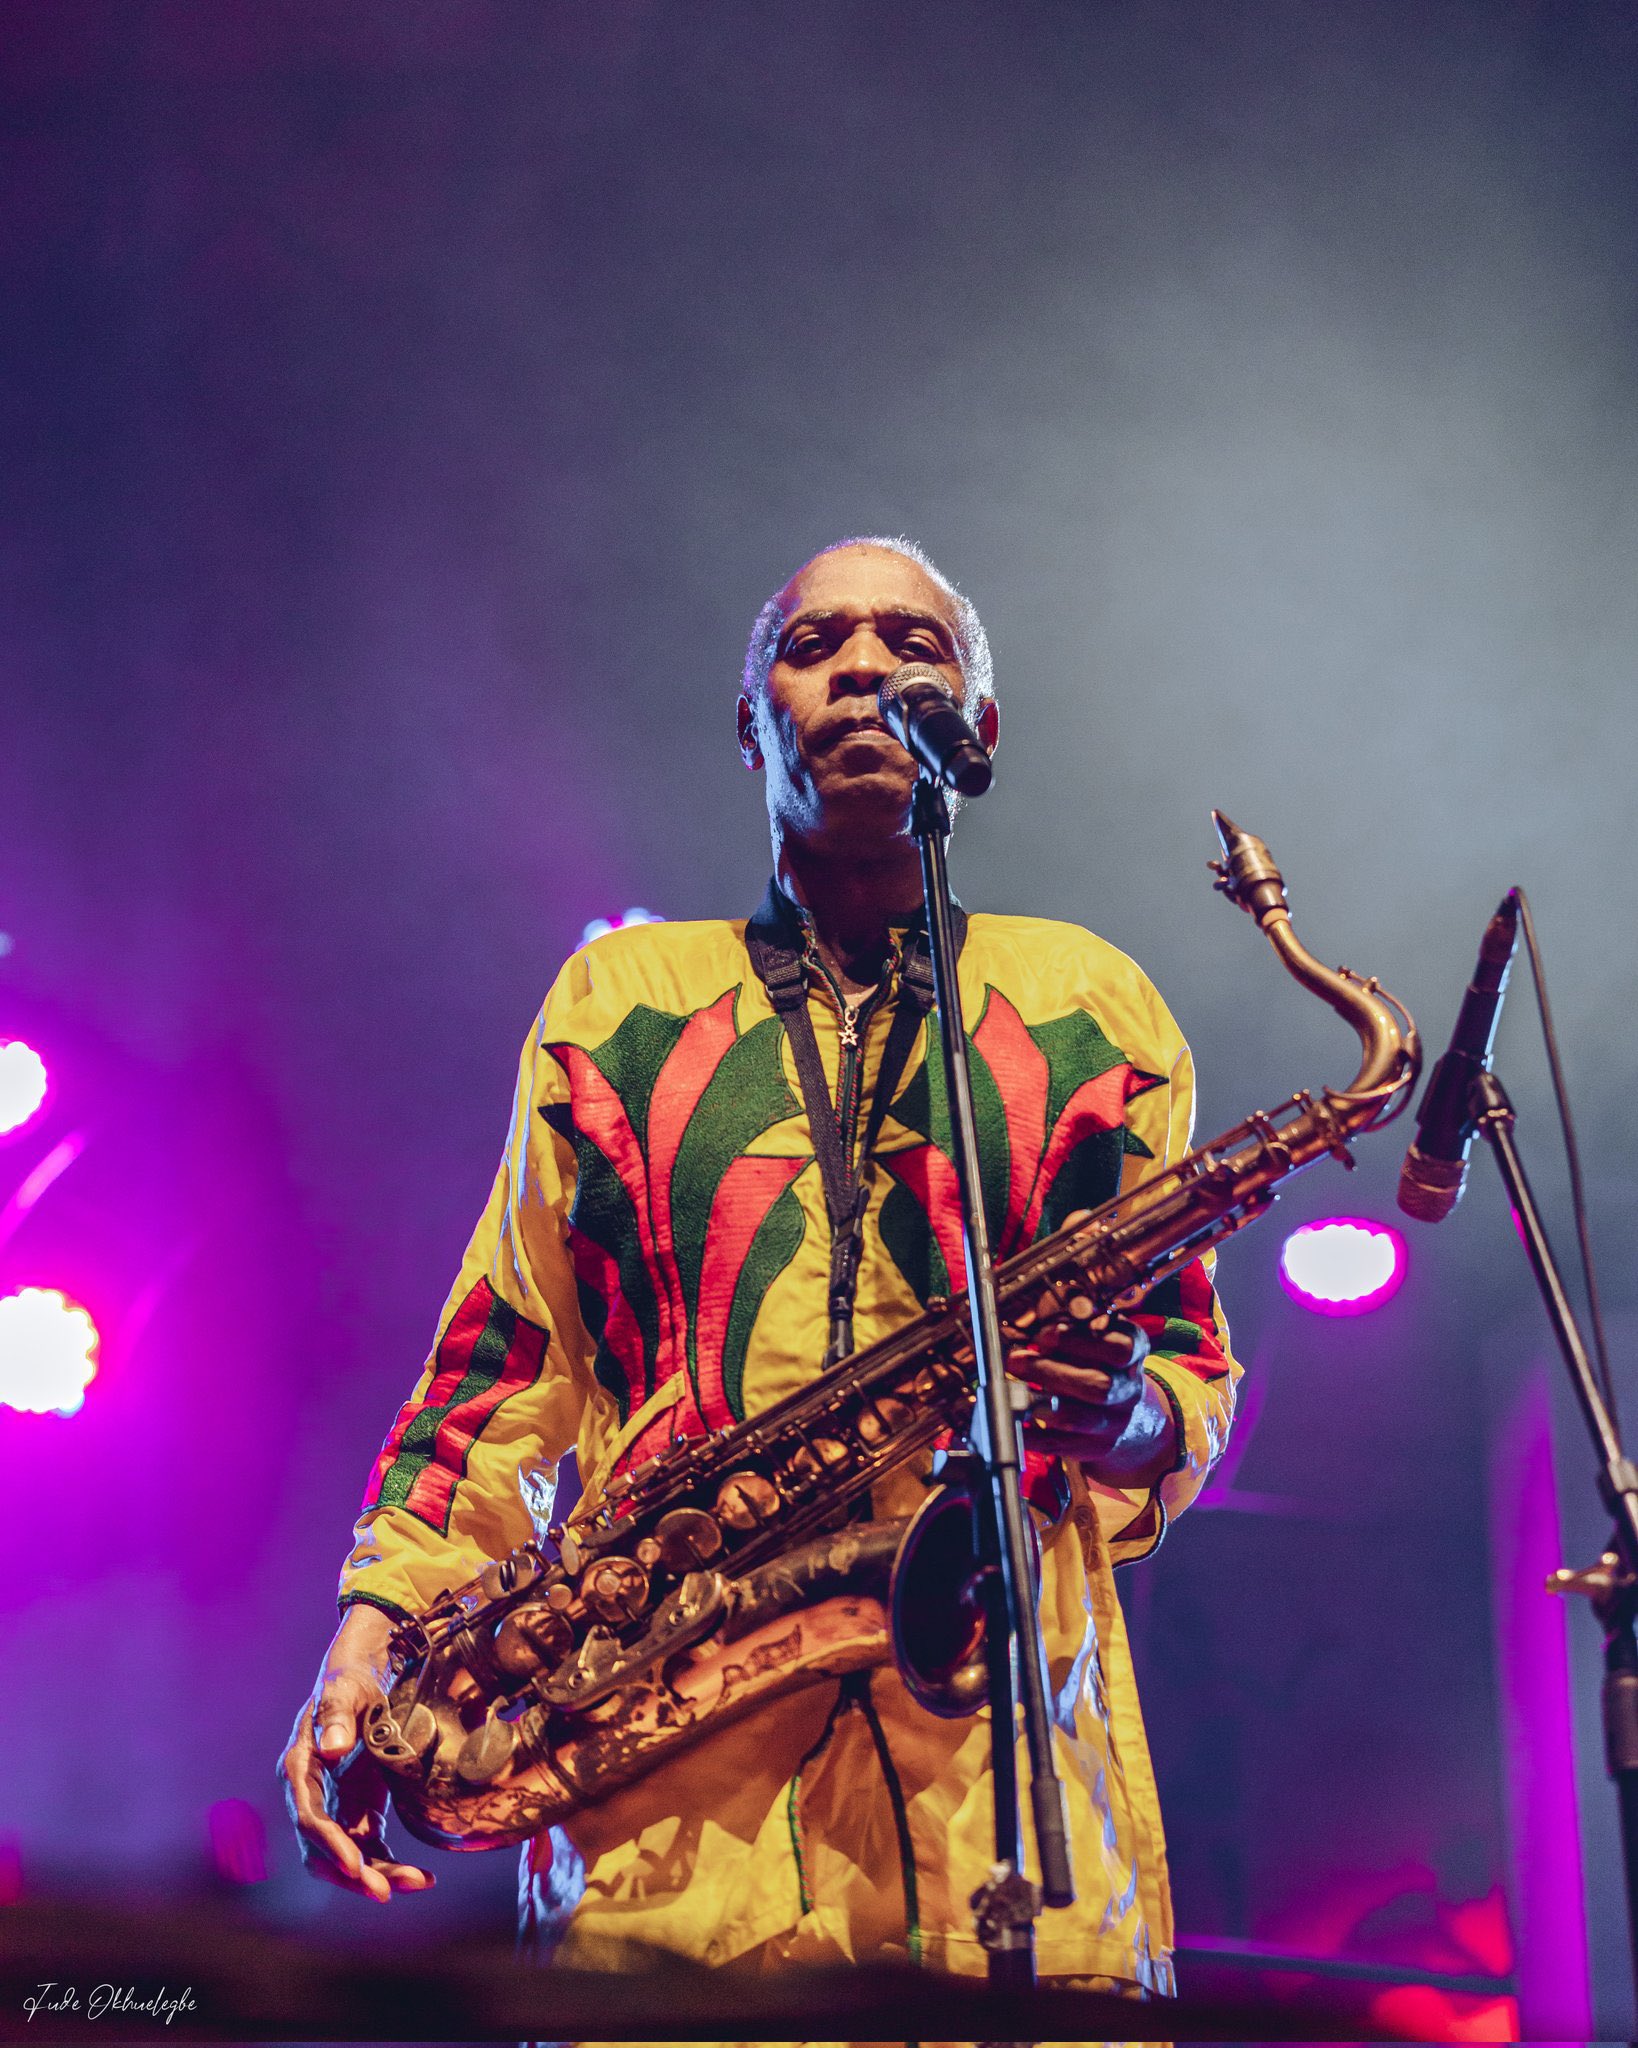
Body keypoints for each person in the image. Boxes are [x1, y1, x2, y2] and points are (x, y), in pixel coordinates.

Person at [279, 536, 1240, 1994]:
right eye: (814, 645)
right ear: (751, 728)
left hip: (1006, 1780)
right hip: (666, 1812)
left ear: (973, 733)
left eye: (913, 646)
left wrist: (1134, 1416)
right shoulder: (618, 1004)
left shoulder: (1088, 1005)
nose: (864, 666)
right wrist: (372, 1635)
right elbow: (502, 1362)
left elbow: (1184, 1358)